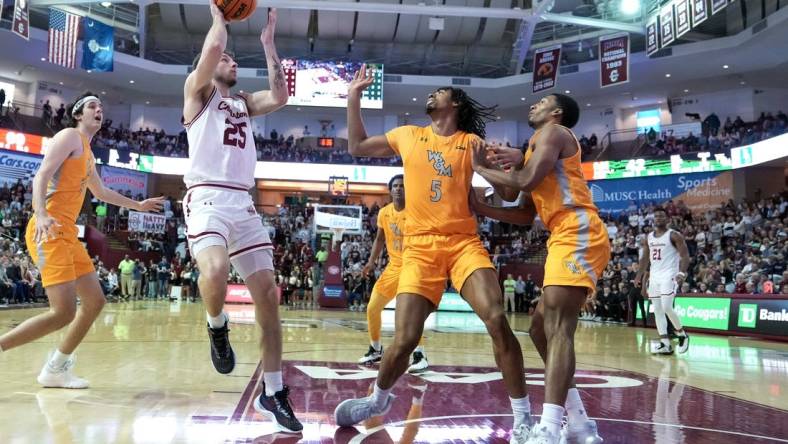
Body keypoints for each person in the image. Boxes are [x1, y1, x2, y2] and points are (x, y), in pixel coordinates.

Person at [334, 69, 530, 443]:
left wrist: (489, 166)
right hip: (419, 248)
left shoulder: (471, 142)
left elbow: (508, 196)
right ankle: (377, 402)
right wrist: (353, 95)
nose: (430, 96)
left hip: (462, 244)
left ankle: (522, 418)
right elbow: (357, 146)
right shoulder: (409, 135)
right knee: (405, 339)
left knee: (496, 318)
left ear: (453, 103)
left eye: (438, 92)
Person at [182, 4, 300, 432]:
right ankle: (217, 325)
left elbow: (282, 96)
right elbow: (213, 50)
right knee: (213, 270)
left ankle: (273, 390)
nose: (232, 62)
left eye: (233, 59)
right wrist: (220, 19)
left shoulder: (244, 103)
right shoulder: (198, 93)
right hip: (207, 197)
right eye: (228, 59)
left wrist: (269, 46)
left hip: (243, 203)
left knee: (268, 295)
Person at [470, 93, 610, 443]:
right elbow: (521, 212)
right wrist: (480, 206)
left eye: (542, 101)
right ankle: (578, 423)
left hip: (578, 229)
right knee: (538, 330)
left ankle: (548, 429)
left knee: (559, 328)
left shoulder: (554, 133)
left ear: (557, 112)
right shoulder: (536, 148)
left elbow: (524, 181)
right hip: (562, 233)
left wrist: (480, 169)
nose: (534, 105)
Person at [0, 91, 163, 388]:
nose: (98, 109)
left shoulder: (87, 151)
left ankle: (56, 367)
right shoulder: (68, 137)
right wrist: (42, 212)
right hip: (48, 229)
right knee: (63, 312)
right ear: (78, 114)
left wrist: (137, 206)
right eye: (92, 105)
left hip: (67, 233)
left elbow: (100, 193)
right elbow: (41, 176)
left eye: (101, 106)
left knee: (95, 301)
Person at [358, 175, 429, 373]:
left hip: (413, 266)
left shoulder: (417, 212)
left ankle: (420, 354)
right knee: (373, 307)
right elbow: (380, 239)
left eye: (402, 186)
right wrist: (371, 263)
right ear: (390, 190)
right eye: (395, 186)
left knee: (409, 313)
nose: (398, 189)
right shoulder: (384, 213)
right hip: (393, 267)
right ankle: (375, 348)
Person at [635, 208, 691, 355]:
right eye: (656, 216)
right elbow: (645, 258)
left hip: (669, 275)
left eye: (661, 216)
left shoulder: (674, 235)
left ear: (667, 219)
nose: (658, 218)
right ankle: (665, 343)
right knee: (658, 310)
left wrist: (681, 273)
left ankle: (682, 335)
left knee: (667, 307)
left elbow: (685, 256)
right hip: (654, 276)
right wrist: (639, 276)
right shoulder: (649, 237)